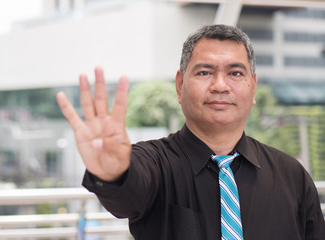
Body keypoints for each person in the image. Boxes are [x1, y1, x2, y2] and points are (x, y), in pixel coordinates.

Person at [56, 24, 325, 239]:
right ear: (179, 85)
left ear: (253, 87)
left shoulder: (292, 176)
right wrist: (114, 172)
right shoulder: (154, 163)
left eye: (235, 73)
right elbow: (127, 196)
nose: (220, 85)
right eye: (205, 72)